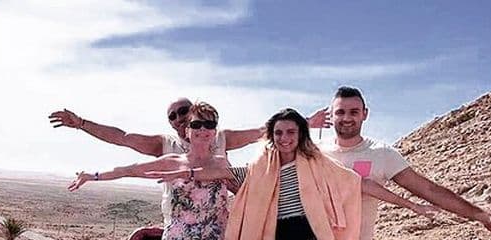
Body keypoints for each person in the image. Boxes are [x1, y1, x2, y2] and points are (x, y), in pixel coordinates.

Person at [151, 109, 437, 240]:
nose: (284, 138)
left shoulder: (317, 164)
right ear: (271, 137)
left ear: (300, 134)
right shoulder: (261, 165)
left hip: (311, 238)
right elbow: (221, 172)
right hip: (276, 239)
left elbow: (361, 184)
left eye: (290, 132)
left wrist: (412, 205)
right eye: (278, 133)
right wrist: (181, 171)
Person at [311, 86, 491, 240]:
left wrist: (482, 216)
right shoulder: (316, 151)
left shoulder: (381, 154)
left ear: (365, 114)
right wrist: (307, 122)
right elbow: (276, 145)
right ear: (330, 114)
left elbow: (428, 190)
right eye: (340, 112)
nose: (347, 118)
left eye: (353, 112)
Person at [68, 102, 233, 240]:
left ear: (215, 130)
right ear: (188, 130)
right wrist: (93, 176)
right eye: (197, 124)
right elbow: (131, 170)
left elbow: (249, 184)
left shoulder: (223, 164)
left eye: (209, 124)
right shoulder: (172, 162)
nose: (203, 130)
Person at [48, 99, 330, 158]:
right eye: (173, 116)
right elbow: (122, 138)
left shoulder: (220, 138)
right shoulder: (165, 145)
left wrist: (307, 122)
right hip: (180, 232)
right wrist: (82, 124)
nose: (179, 118)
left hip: (215, 230)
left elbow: (264, 130)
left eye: (184, 111)